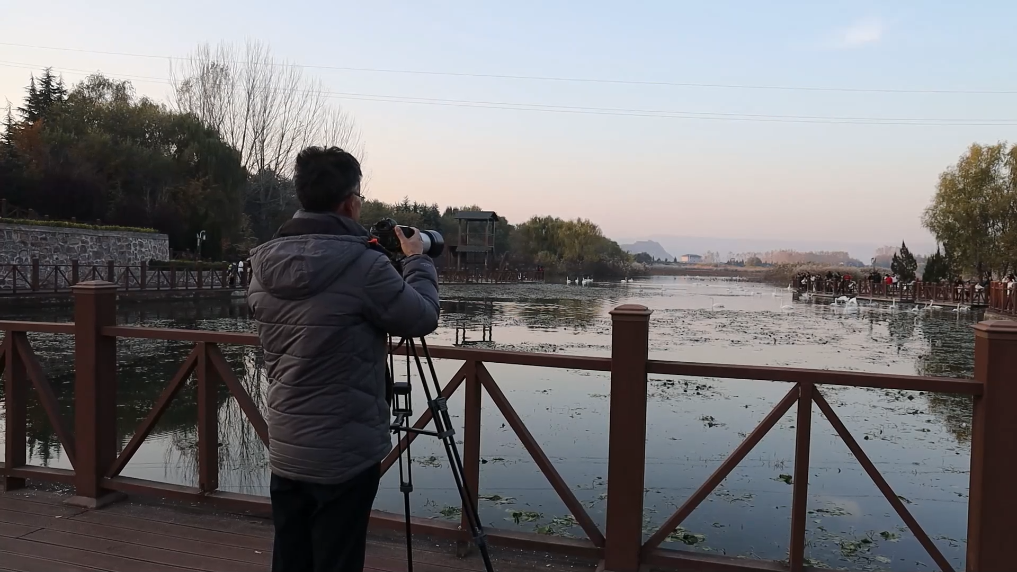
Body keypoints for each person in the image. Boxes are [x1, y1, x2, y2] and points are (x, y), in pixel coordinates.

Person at [248, 146, 441, 572]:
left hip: (287, 445)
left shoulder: (262, 265)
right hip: (345, 454)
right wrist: (418, 261)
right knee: (338, 560)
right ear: (349, 202)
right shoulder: (365, 267)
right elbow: (422, 317)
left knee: (291, 558)